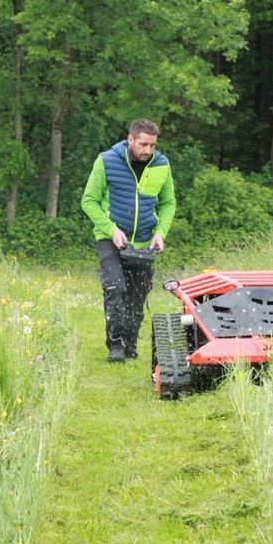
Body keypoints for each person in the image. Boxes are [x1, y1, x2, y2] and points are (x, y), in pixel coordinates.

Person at [80, 118, 176, 363]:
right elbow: (88, 201)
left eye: (152, 145)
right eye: (143, 144)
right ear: (130, 139)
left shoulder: (162, 165)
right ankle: (116, 347)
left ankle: (131, 345)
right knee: (116, 288)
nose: (148, 150)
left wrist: (160, 233)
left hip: (144, 242)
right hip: (111, 239)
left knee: (137, 296)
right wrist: (111, 229)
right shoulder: (107, 160)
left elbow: (168, 203)